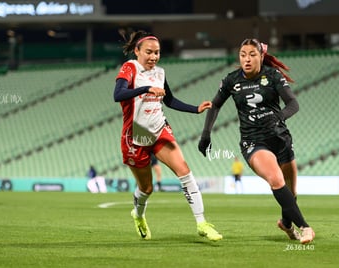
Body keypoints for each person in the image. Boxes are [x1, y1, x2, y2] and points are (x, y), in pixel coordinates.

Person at [198, 38, 315, 244]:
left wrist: (279, 117)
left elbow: (293, 103)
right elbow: (215, 105)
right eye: (243, 55)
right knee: (276, 180)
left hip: (280, 139)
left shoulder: (272, 75)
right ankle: (305, 227)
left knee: (291, 191)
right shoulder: (231, 80)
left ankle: (286, 224)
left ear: (261, 56)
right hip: (253, 141)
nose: (247, 59)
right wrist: (206, 134)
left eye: (252, 54)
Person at [113, 30, 222, 241]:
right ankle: (138, 215)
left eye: (157, 53)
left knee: (185, 171)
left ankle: (201, 222)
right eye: (149, 52)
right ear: (137, 51)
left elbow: (170, 101)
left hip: (159, 129)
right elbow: (118, 95)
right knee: (146, 188)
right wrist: (146, 89)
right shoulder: (130, 68)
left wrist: (195, 109)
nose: (153, 57)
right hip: (135, 136)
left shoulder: (160, 73)